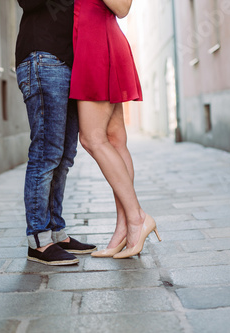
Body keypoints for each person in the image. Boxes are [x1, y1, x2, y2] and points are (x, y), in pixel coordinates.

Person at [70, 0, 162, 259]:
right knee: (114, 140)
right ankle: (124, 228)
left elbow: (123, 7)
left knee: (92, 139)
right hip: (93, 44)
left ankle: (137, 218)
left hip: (98, 46)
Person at [15, 0, 97, 266]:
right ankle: (38, 239)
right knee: (45, 154)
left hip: (70, 66)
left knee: (64, 156)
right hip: (43, 59)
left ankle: (56, 230)